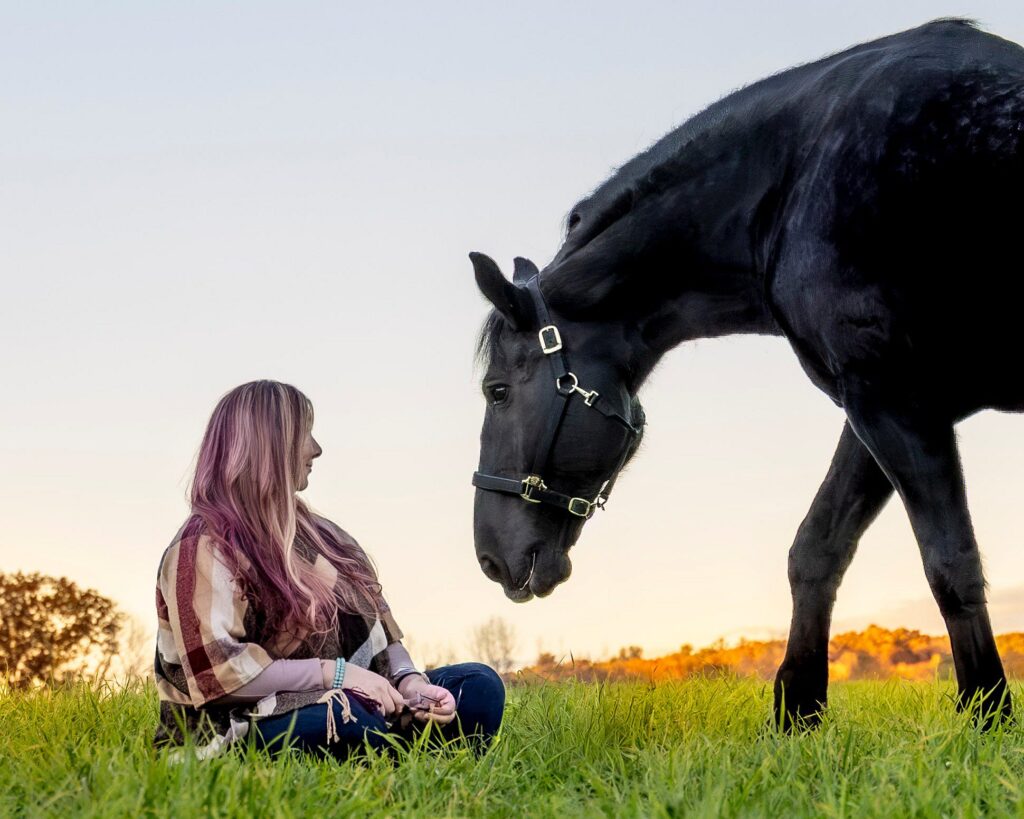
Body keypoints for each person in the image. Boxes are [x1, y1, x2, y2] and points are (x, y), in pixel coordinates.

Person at [153, 380, 505, 760]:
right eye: (304, 434)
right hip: (242, 721)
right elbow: (219, 675)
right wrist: (336, 675)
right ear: (268, 444)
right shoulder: (204, 545)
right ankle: (390, 751)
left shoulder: (327, 538)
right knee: (347, 716)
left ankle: (401, 754)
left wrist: (409, 682)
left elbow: (384, 635)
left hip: (361, 699)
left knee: (478, 685)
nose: (316, 449)